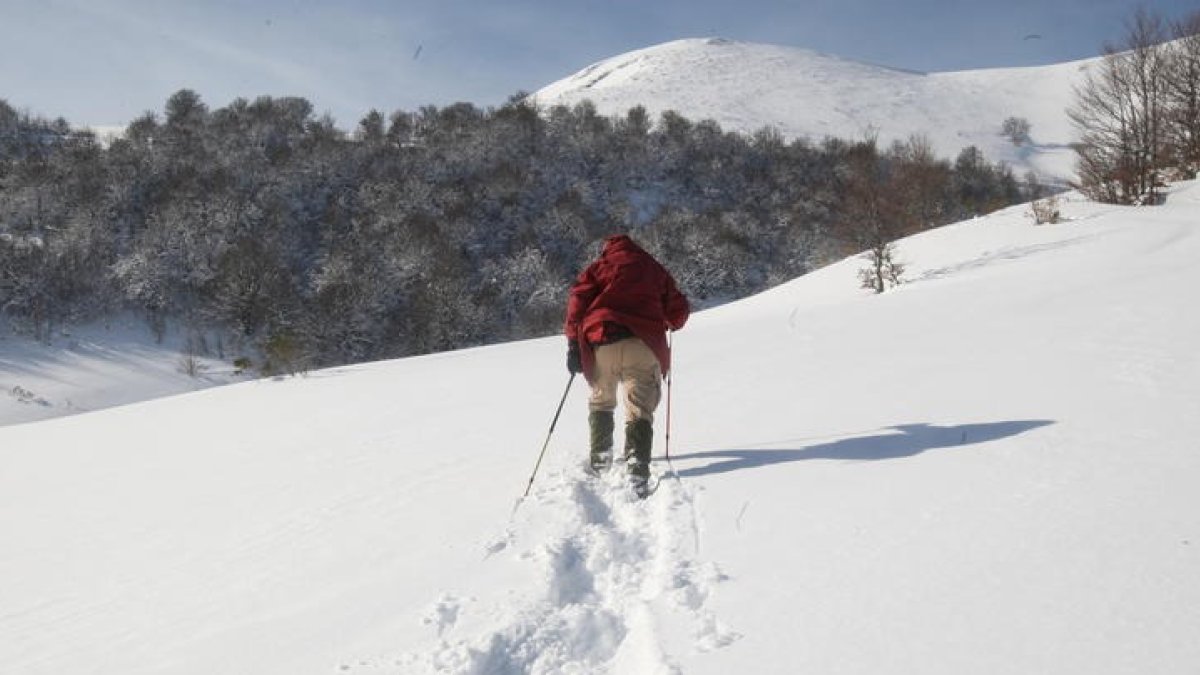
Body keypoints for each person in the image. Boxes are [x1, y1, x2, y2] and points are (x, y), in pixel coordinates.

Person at [564, 234, 690, 496]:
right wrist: (670, 321)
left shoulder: (600, 266)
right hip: (643, 343)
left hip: (603, 340)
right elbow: (678, 310)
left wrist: (573, 345)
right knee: (639, 407)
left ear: (608, 249)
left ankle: (600, 457)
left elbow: (577, 300)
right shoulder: (653, 268)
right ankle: (637, 467)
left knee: (601, 399)